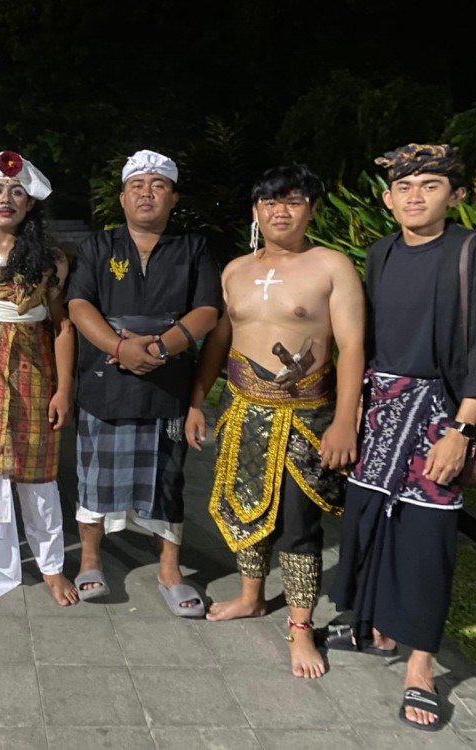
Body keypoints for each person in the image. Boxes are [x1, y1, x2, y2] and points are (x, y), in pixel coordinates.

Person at [329, 145, 476, 728]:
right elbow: (366, 338)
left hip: (440, 414)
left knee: (426, 537)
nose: (415, 196)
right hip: (381, 409)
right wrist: (352, 409)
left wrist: (461, 429)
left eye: (430, 186)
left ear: (455, 195)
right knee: (369, 520)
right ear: (387, 200)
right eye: (404, 188)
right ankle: (377, 628)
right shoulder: (380, 253)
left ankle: (420, 665)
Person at [187, 165, 364, 678]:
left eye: (292, 201)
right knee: (245, 508)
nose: (279, 211)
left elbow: (352, 346)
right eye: (269, 202)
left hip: (306, 414)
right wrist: (197, 399)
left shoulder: (331, 266)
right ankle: (251, 596)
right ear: (255, 211)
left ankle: (301, 627)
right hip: (242, 409)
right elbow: (219, 341)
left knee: (298, 523)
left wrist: (346, 419)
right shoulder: (235, 270)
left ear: (311, 209)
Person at [66, 149, 222, 615]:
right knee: (94, 473)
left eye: (158, 185)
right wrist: (120, 348)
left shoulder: (193, 248)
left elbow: (208, 310)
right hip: (106, 376)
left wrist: (160, 348)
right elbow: (78, 305)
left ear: (173, 198)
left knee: (167, 479)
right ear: (122, 198)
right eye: (137, 185)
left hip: (168, 378)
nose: (147, 193)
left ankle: (170, 569)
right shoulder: (99, 246)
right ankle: (90, 558)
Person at [0, 151, 78, 606]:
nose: (6, 199)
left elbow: (62, 326)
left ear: (31, 203)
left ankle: (51, 565)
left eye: (17, 191)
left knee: (37, 470)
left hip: (35, 373)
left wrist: (64, 389)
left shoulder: (51, 261)